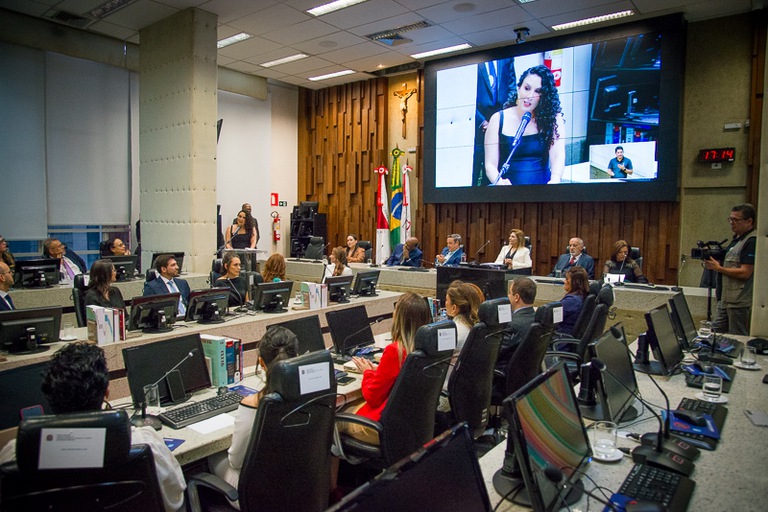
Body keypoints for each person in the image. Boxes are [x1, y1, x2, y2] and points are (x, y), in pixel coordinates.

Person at [0, 342, 186, 512]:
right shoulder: (144, 443)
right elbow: (174, 501)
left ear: (49, 397)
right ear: (107, 391)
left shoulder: (15, 455)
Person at [208, 326, 299, 499]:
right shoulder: (312, 392)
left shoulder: (254, 403)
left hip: (261, 494)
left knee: (212, 458)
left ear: (262, 363)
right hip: (303, 484)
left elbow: (236, 461)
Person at [336, 291, 432, 444]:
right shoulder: (426, 349)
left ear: (400, 318)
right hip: (412, 423)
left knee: (331, 420)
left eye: (395, 310)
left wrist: (367, 372)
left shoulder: (396, 351)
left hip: (384, 427)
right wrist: (379, 371)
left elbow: (372, 397)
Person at [484, 65, 565, 185]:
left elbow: (558, 155)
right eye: (527, 88)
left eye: (538, 91)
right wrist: (500, 182)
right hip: (508, 193)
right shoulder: (498, 119)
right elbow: (490, 165)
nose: (530, 96)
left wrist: (555, 180)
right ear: (518, 88)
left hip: (543, 191)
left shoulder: (553, 118)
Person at [705, 203, 757, 335]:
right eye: (730, 219)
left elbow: (745, 272)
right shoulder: (736, 240)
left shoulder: (751, 241)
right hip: (725, 299)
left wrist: (718, 268)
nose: (732, 223)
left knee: (737, 336)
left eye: (736, 220)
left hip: (738, 302)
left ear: (749, 221)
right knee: (716, 334)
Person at [438, 281, 483, 412]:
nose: (444, 303)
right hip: (467, 394)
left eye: (447, 300)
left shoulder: (453, 332)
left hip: (445, 395)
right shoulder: (477, 328)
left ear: (454, 308)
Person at [473, 57, 516, 186]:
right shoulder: (472, 61)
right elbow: (463, 95)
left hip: (500, 129)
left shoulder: (506, 56)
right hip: (478, 128)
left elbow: (512, 88)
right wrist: (482, 121)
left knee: (495, 174)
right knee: (474, 175)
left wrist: (501, 119)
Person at [495, 277, 537, 371]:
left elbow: (496, 354)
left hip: (504, 375)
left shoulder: (511, 324)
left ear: (516, 297)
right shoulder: (537, 318)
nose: (508, 296)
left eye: (510, 293)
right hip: (527, 373)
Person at [559, 266, 589, 335]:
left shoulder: (572, 301)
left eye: (567, 279)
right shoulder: (581, 297)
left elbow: (549, 316)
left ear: (575, 282)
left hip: (561, 338)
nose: (564, 281)